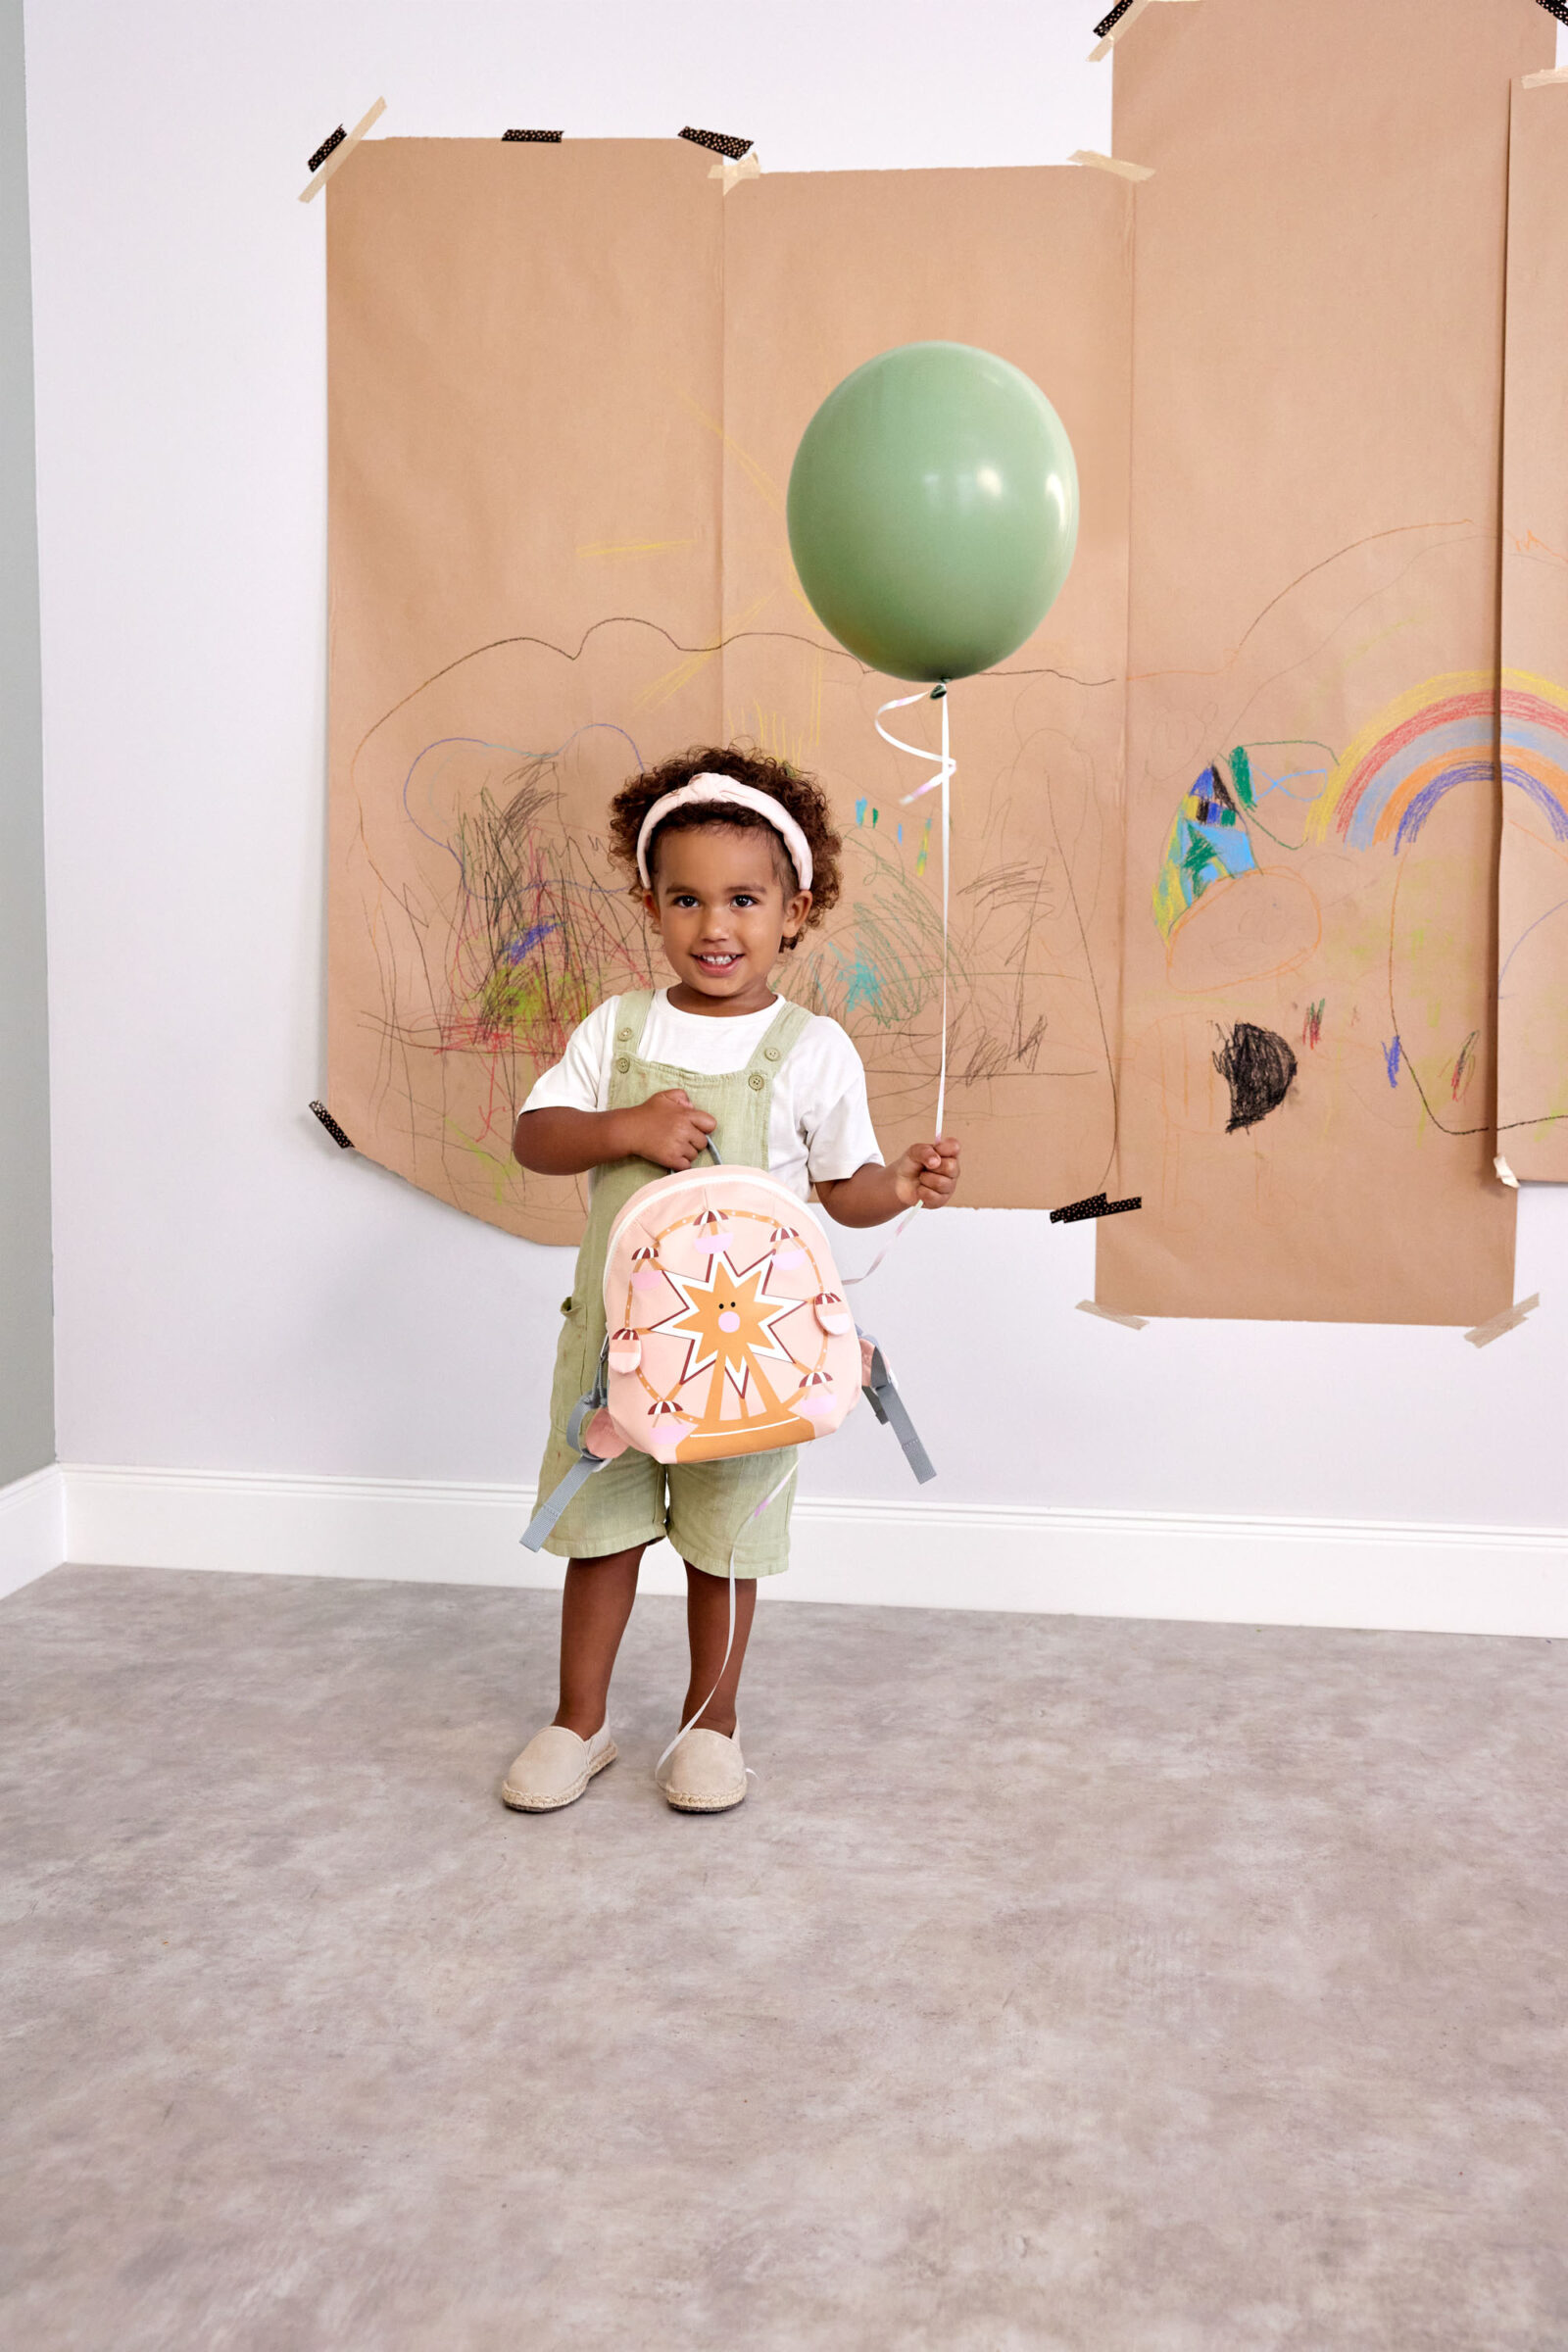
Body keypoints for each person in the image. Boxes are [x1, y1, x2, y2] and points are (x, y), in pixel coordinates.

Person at [502, 746, 960, 1815]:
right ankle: (580, 1721)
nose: (716, 925)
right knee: (602, 1535)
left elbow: (841, 1192)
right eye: (687, 899)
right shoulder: (617, 1030)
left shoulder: (812, 1048)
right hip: (619, 1351)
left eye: (745, 900)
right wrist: (625, 1126)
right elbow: (536, 1138)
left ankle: (712, 1727)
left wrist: (897, 1184)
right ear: (651, 906)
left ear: (795, 912)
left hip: (751, 1355)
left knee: (725, 1545)